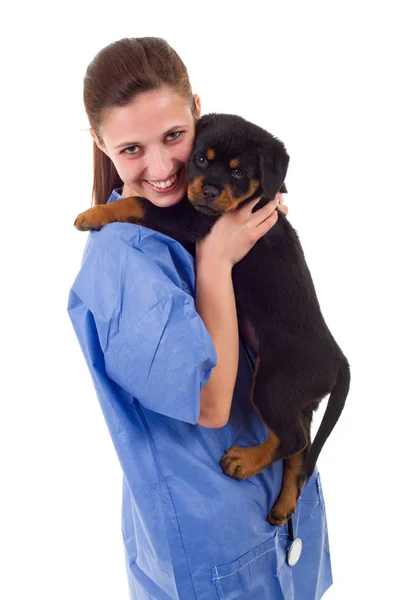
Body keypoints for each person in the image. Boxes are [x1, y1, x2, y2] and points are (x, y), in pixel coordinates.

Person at [68, 37, 332, 600]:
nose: (161, 168)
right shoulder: (123, 261)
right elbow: (210, 403)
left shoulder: (215, 206)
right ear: (99, 144)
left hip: (285, 520)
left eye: (173, 136)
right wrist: (216, 257)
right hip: (213, 545)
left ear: (198, 114)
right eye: (131, 148)